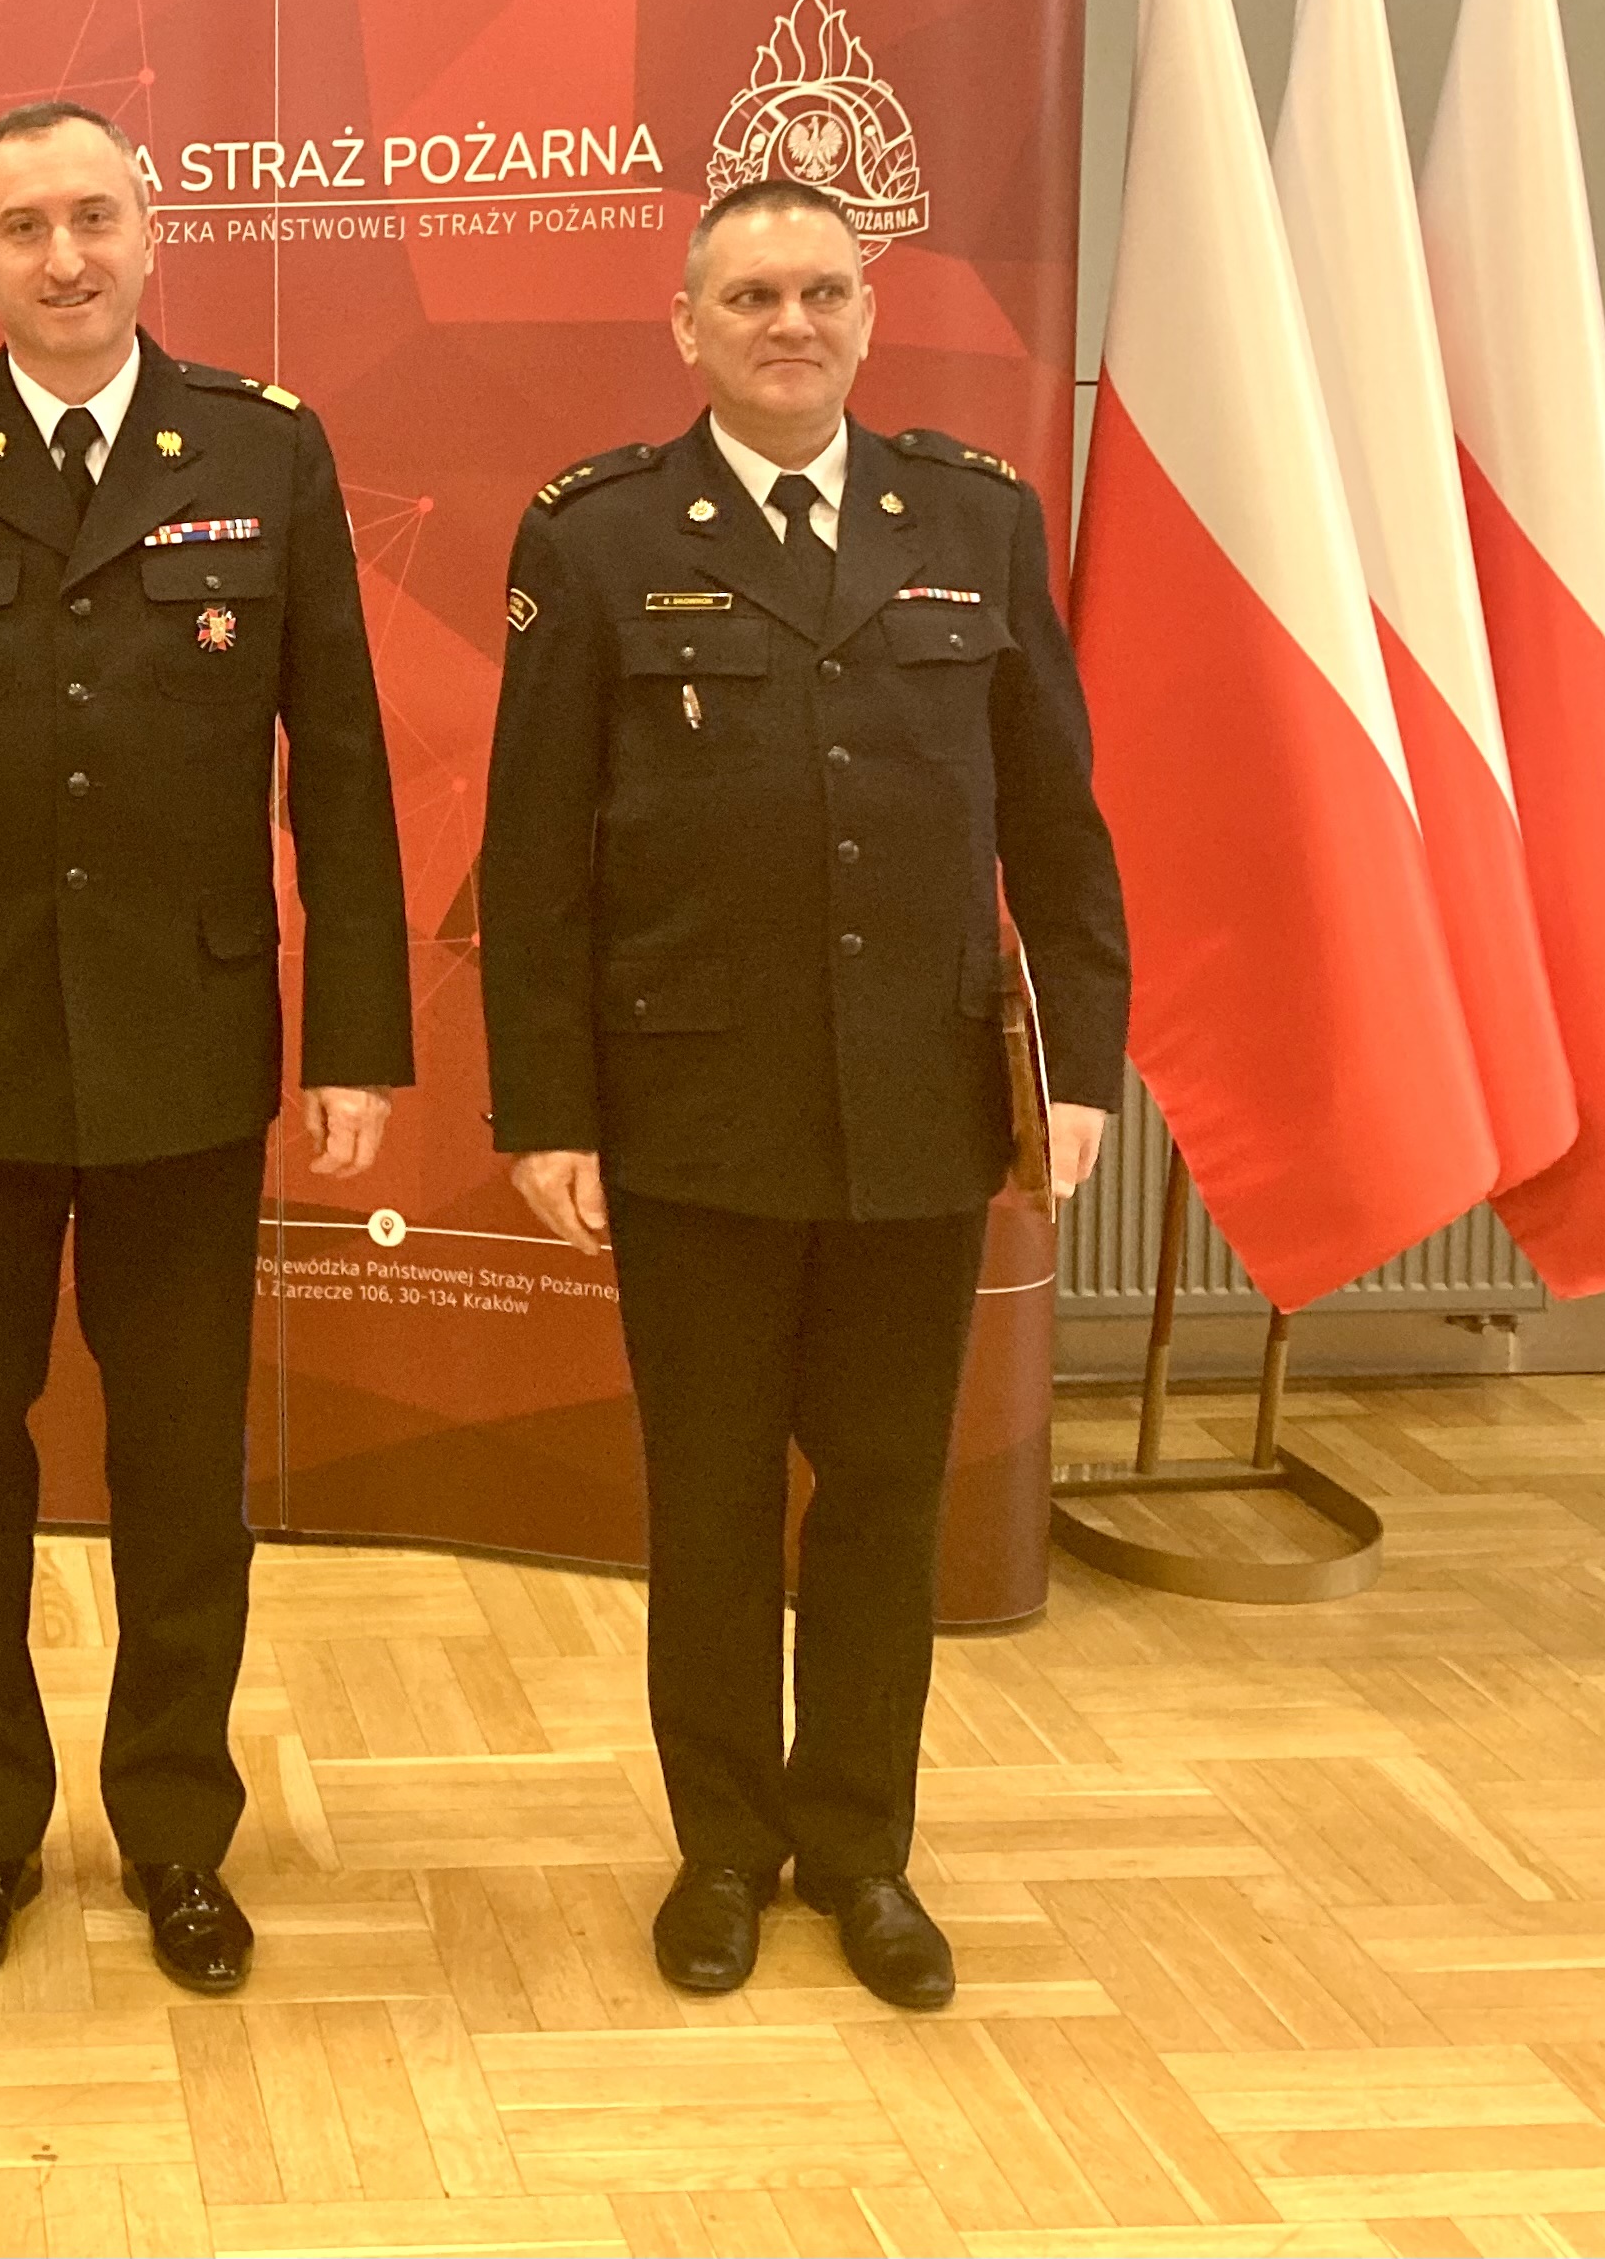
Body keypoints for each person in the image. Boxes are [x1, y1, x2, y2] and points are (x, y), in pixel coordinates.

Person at [0, 101, 412, 1998]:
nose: (65, 255)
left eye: (95, 216)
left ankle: (178, 1832)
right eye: (24, 225)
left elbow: (340, 762)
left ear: (151, 228)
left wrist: (357, 1037)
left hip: (184, 1050)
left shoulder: (264, 451)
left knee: (186, 1471)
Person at [479, 176, 1127, 2010]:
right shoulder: (597, 537)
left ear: (868, 316)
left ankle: (862, 1851)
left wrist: (1079, 1064)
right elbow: (534, 857)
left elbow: (1057, 820)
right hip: (694, 1115)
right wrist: (546, 1108)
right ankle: (721, 1850)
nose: (791, 322)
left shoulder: (976, 520)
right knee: (706, 1503)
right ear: (686, 325)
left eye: (823, 291)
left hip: (919, 1109)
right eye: (752, 295)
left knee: (884, 1496)